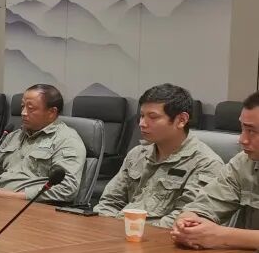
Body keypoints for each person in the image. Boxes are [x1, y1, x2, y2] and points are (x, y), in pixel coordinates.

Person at [94, 84, 223, 227]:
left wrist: (131, 229)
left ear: (181, 120)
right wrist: (110, 228)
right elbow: (109, 202)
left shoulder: (206, 164)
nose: (142, 124)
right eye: (142, 116)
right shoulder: (137, 154)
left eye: (153, 117)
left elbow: (184, 219)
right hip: (121, 231)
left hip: (160, 237)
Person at [171, 91, 259, 250]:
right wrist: (188, 221)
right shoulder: (244, 163)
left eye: (252, 131)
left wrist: (222, 236)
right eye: (242, 129)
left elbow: (220, 236)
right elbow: (206, 204)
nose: (242, 140)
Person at [0, 84, 85, 203]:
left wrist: (15, 196)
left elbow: (67, 188)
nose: (23, 113)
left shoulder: (67, 140)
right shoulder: (12, 136)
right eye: (22, 106)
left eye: (31, 108)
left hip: (30, 206)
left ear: (52, 112)